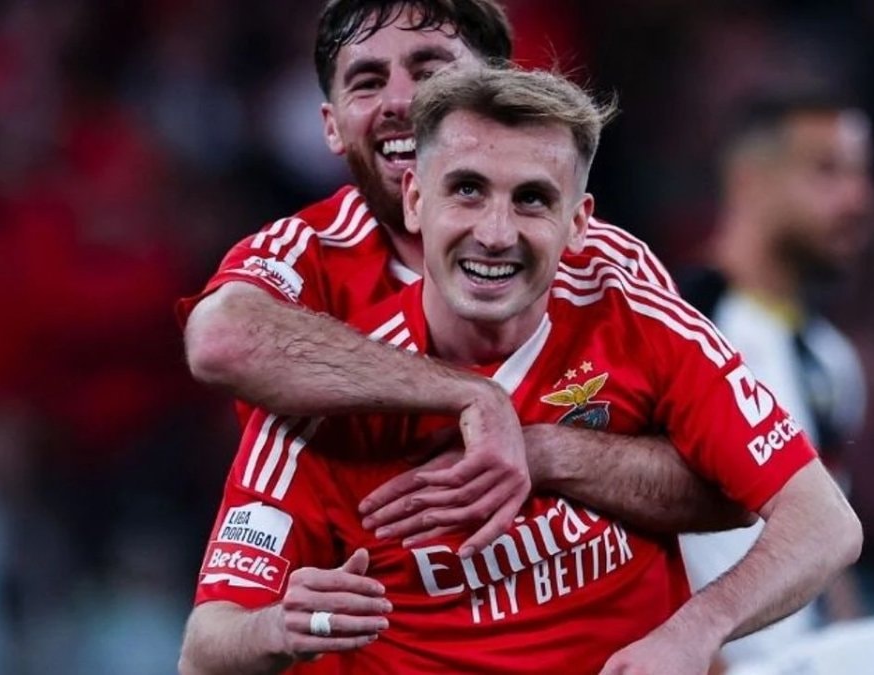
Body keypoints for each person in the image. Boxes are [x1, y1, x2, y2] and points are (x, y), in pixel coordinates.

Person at [178, 65, 862, 675]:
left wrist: (693, 632)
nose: (496, 233)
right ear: (414, 200)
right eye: (467, 190)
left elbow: (826, 523)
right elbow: (205, 647)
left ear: (578, 222)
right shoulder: (329, 399)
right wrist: (275, 627)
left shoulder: (635, 317)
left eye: (532, 198)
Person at [181, 0, 710, 565]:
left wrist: (544, 452)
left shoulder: (604, 263)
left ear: (498, 90)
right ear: (332, 126)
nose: (400, 101)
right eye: (368, 82)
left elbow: (724, 489)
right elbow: (220, 340)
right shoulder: (306, 255)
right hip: (372, 611)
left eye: (431, 72)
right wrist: (471, 395)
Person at [676, 89, 874, 666]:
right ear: (749, 182)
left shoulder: (832, 359)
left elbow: (831, 545)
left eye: (861, 173)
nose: (860, 197)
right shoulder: (679, 331)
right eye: (827, 171)